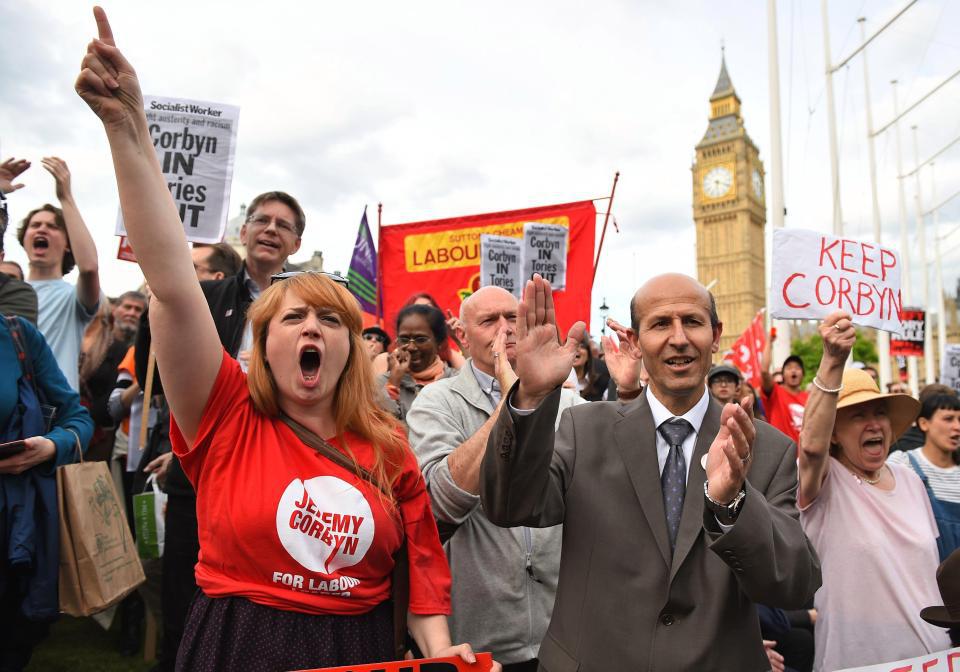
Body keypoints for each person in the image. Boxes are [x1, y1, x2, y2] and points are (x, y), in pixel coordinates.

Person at [75, 11, 491, 671]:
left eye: (331, 321)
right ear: (259, 347)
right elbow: (175, 286)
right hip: (238, 645)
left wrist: (440, 651)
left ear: (350, 350)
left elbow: (424, 568)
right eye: (292, 318)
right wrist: (128, 129)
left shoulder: (388, 449)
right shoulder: (226, 416)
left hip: (355, 649)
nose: (312, 329)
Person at [480, 273, 820, 670]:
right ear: (637, 343)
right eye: (661, 324)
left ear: (716, 334)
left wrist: (732, 505)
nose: (679, 338)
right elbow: (508, 506)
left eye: (692, 321)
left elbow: (795, 584)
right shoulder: (584, 430)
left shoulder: (766, 448)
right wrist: (529, 398)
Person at [407, 286, 585, 670]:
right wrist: (515, 405)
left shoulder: (569, 404)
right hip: (480, 646)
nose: (505, 329)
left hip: (564, 641)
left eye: (513, 318)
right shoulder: (437, 402)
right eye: (489, 321)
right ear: (463, 337)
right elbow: (439, 504)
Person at [797, 310, 950, 671]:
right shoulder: (825, 484)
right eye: (858, 415)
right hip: (856, 663)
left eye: (879, 412)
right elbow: (811, 446)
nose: (874, 423)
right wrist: (833, 360)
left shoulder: (911, 480)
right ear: (834, 432)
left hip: (933, 659)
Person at [0, 314, 93, 670]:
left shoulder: (19, 335)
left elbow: (78, 419)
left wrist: (52, 446)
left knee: (12, 644)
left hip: (16, 531)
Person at [17, 157, 101, 391]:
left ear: (68, 244)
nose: (42, 228)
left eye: (53, 226)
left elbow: (89, 268)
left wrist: (66, 197)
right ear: (24, 239)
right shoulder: (8, 291)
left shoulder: (72, 299)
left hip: (50, 416)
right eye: (35, 225)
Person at [887, 393, 960, 560]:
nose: (957, 426)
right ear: (924, 423)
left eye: (959, 420)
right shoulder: (903, 463)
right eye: (948, 419)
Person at [79, 291, 146, 461]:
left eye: (138, 310)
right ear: (115, 309)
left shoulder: (141, 352)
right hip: (82, 427)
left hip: (116, 436)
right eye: (127, 307)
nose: (131, 313)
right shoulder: (93, 342)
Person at [379, 304, 456, 422]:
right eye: (404, 339)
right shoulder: (380, 384)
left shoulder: (456, 382)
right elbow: (381, 428)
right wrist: (393, 384)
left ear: (439, 342)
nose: (411, 347)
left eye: (421, 339)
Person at [760, 332, 808, 443]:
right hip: (781, 456)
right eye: (789, 368)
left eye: (797, 368)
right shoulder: (775, 392)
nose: (793, 370)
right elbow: (764, 371)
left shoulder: (809, 398)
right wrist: (769, 342)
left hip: (804, 458)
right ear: (782, 375)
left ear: (803, 374)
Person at [571, 335, 611, 401]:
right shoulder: (557, 382)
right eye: (572, 346)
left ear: (588, 355)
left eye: (582, 346)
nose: (576, 349)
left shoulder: (602, 381)